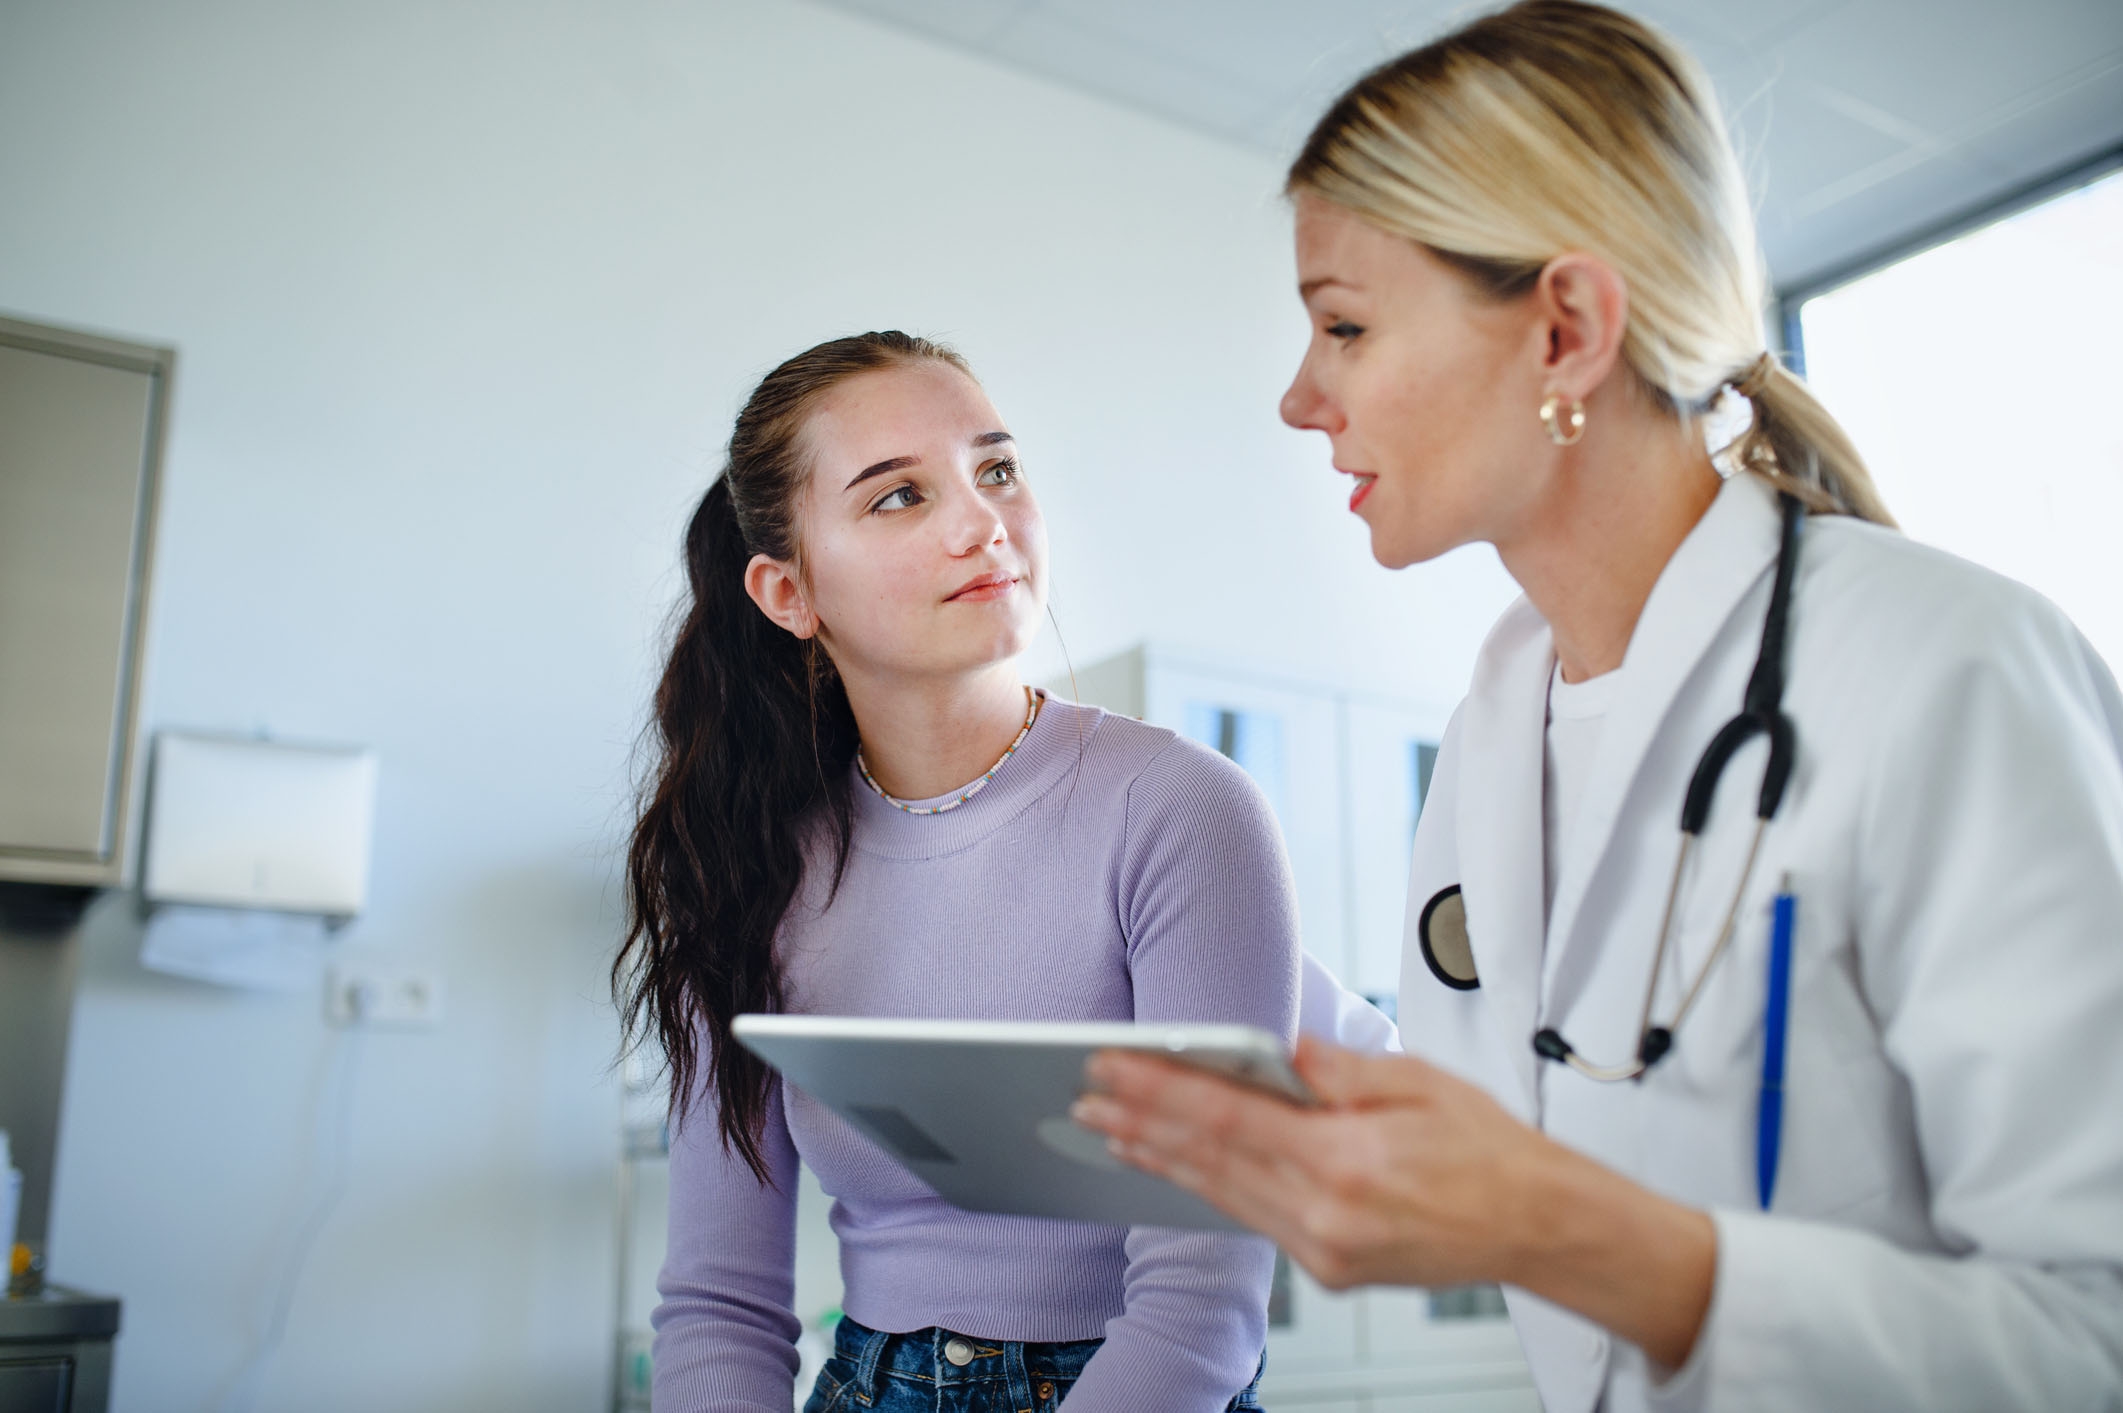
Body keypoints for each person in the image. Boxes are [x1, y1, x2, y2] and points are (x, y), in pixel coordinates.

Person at [1070, 4, 2123, 1410]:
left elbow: (2093, 1333)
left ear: (1562, 328)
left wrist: (1583, 1238)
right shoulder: (1492, 745)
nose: (1297, 397)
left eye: (1344, 327)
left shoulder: (1947, 671)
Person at [618, 331, 1386, 1412]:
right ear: (787, 592)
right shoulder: (739, 864)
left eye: (996, 470)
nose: (983, 523)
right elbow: (716, 1306)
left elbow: (1198, 1309)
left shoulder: (1178, 808)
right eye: (898, 498)